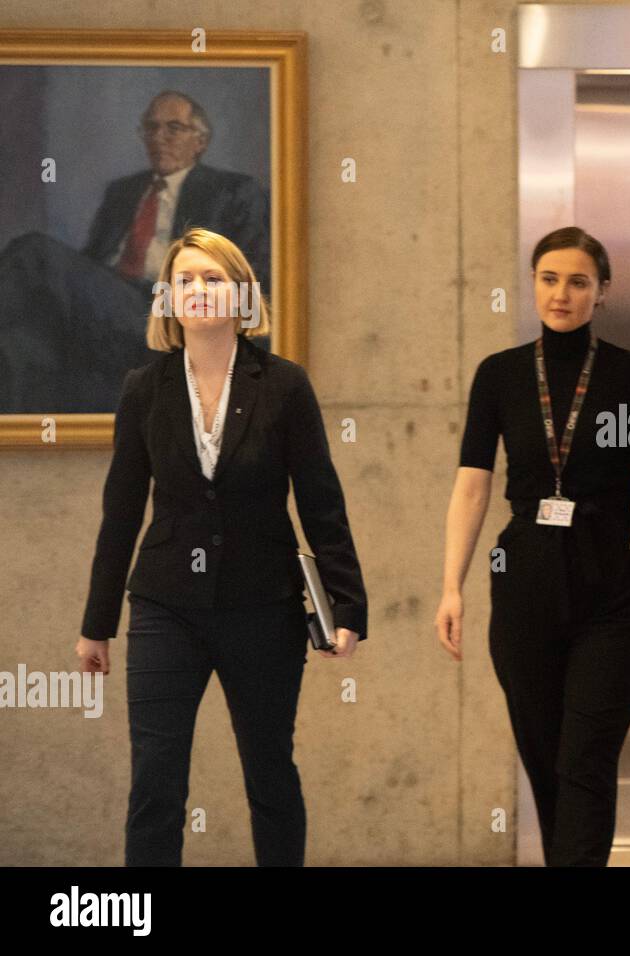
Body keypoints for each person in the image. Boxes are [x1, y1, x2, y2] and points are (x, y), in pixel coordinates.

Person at [77, 227, 367, 867]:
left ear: (241, 294)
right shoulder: (144, 389)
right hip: (164, 608)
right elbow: (120, 513)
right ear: (167, 298)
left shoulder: (284, 386)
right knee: (156, 781)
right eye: (185, 280)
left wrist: (346, 606)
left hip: (263, 607)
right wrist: (97, 625)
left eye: (214, 279)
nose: (199, 291)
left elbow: (321, 501)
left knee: (270, 773)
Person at [436, 226, 630, 867]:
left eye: (579, 281)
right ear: (533, 284)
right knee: (545, 756)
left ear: (602, 292)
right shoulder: (500, 374)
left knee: (586, 758)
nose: (562, 293)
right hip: (524, 580)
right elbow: (471, 486)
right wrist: (450, 586)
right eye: (549, 279)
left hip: (613, 582)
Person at [1, 90, 270, 413]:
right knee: (17, 341)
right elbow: (88, 270)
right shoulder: (123, 191)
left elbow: (251, 275)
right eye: (151, 128)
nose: (159, 137)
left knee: (35, 250)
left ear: (200, 141)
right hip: (109, 305)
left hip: (166, 307)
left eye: (173, 128)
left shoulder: (232, 191)